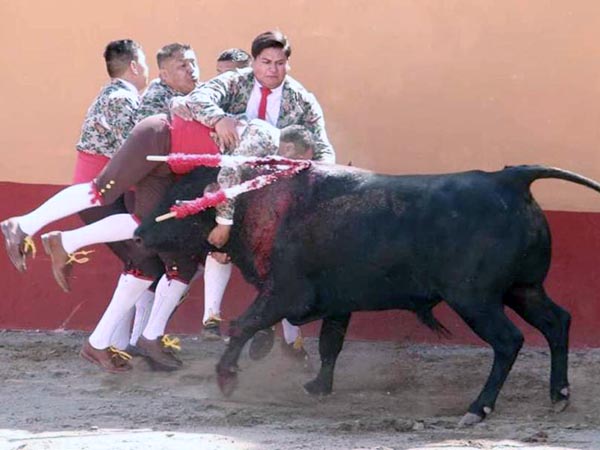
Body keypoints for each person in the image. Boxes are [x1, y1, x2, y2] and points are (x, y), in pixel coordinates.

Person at [173, 30, 335, 359]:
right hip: (227, 178)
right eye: (265, 62)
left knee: (281, 257)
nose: (273, 69)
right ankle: (213, 317)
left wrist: (320, 180)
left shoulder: (302, 98)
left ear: (288, 65)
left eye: (280, 63)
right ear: (254, 62)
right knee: (221, 244)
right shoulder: (236, 81)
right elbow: (195, 99)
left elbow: (323, 148)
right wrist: (219, 119)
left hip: (275, 187)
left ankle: (288, 338)